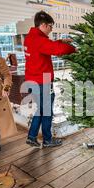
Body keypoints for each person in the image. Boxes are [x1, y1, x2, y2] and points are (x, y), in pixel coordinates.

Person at [24, 11, 76, 148]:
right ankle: (47, 139)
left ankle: (32, 136)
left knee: (41, 109)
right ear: (43, 25)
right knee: (46, 111)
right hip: (42, 80)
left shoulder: (31, 37)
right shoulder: (39, 40)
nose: (51, 29)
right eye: (51, 26)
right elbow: (56, 49)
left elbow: (48, 46)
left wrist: (60, 41)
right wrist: (73, 49)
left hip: (33, 78)